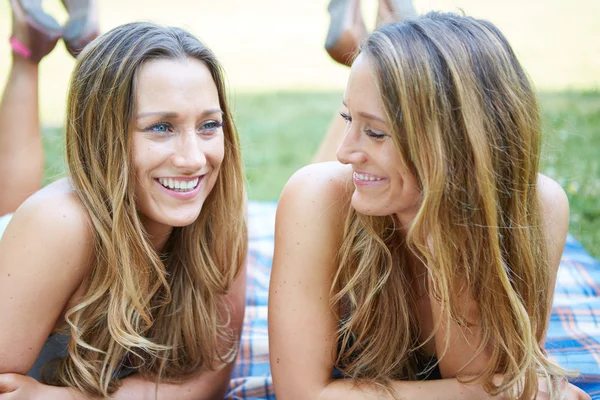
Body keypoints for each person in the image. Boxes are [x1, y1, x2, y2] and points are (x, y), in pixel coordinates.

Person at [269, 11, 590, 400]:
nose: (345, 150)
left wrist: (444, 234)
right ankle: (391, 27)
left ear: (456, 145)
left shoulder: (538, 207)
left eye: (374, 131)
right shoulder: (314, 197)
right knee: (330, 178)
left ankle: (394, 25)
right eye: (346, 118)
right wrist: (496, 393)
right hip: (343, 204)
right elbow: (303, 395)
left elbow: (481, 372)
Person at [0, 4, 247, 399]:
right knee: (12, 211)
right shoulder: (56, 224)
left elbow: (210, 378)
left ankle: (46, 46)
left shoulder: (218, 212)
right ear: (102, 138)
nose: (193, 159)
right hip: (23, 244)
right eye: (161, 127)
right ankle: (27, 54)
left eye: (209, 125)